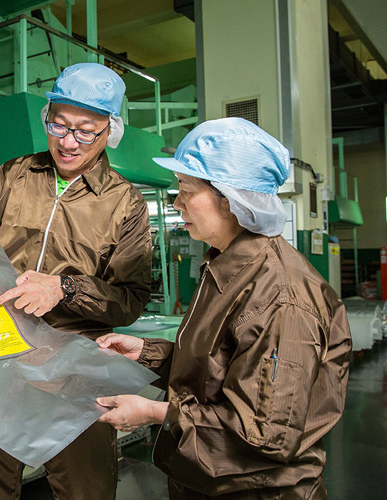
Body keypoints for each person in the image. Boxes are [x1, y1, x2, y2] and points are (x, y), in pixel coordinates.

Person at [95, 118, 352, 499]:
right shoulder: (226, 266)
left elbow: (264, 432)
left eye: (185, 189)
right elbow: (219, 371)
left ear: (230, 199)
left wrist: (152, 413)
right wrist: (146, 353)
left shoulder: (280, 298)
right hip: (208, 482)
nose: (177, 203)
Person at [0, 62, 152, 500]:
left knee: (86, 487)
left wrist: (64, 288)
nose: (68, 142)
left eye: (86, 130)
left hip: (77, 374)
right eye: (59, 125)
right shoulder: (13, 176)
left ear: (111, 130)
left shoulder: (125, 202)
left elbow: (130, 299)